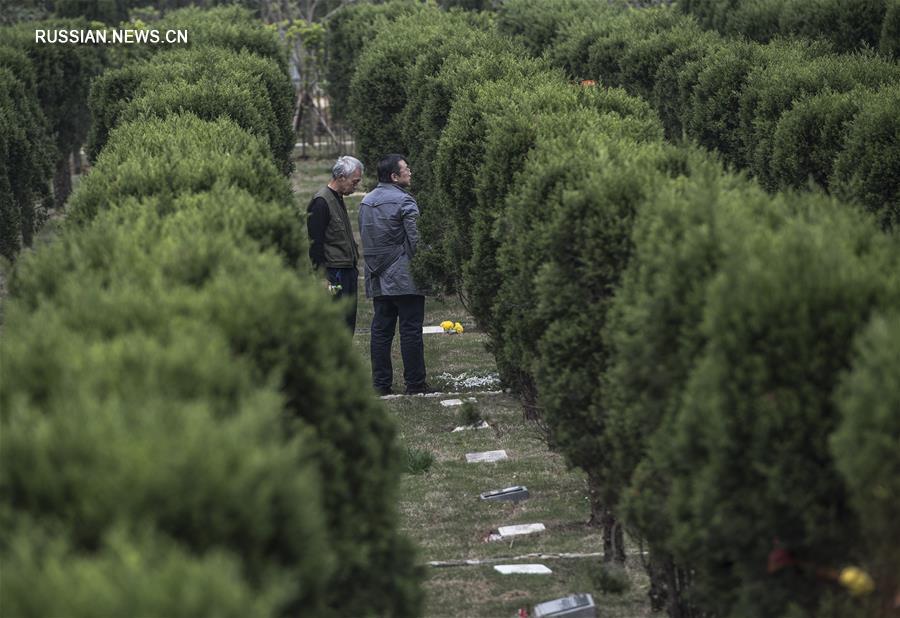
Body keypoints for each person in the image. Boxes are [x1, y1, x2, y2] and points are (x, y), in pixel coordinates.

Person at [358, 154, 428, 396]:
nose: (410, 172)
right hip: (405, 276)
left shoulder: (366, 202)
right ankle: (415, 383)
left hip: (377, 275)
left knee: (381, 331)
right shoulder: (405, 202)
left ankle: (380, 384)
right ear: (394, 176)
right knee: (410, 330)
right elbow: (416, 240)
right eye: (405, 169)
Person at [307, 155, 363, 333]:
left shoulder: (337, 197)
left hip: (347, 270)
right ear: (341, 177)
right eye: (354, 182)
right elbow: (315, 243)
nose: (355, 187)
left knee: (348, 322)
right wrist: (321, 277)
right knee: (337, 323)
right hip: (334, 273)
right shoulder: (321, 202)